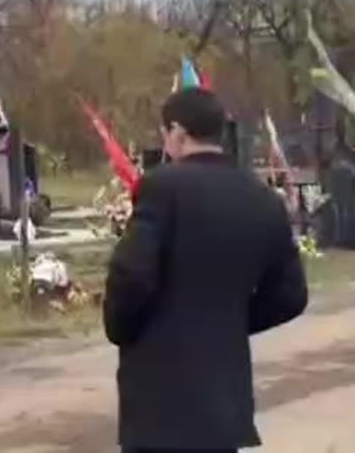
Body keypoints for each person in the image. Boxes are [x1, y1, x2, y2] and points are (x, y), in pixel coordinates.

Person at [105, 89, 308, 453]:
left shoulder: (162, 187)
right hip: (224, 395)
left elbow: (131, 274)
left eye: (165, 134)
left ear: (178, 132)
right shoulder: (262, 198)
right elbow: (291, 294)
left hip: (161, 392)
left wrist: (122, 328)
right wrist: (233, 319)